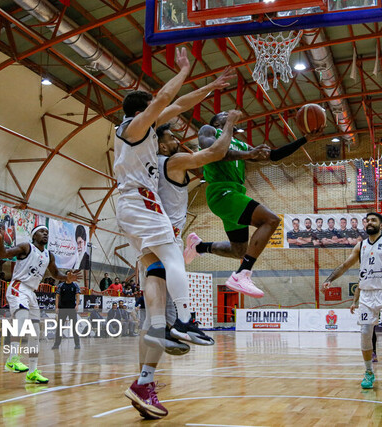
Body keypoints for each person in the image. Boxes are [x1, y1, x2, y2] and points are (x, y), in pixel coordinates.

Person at [114, 48, 228, 419]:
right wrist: (184, 68)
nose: (161, 119)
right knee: (174, 257)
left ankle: (146, 376)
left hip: (134, 209)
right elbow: (165, 99)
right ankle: (185, 320)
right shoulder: (133, 130)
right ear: (139, 111)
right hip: (141, 204)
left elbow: (175, 105)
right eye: (151, 110)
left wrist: (209, 86)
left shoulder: (145, 135)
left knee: (156, 276)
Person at [183, 110, 324, 298]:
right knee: (271, 220)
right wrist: (246, 151)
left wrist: (304, 139)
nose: (229, 113)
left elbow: (273, 155)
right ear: (216, 121)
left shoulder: (240, 144)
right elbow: (216, 153)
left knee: (238, 250)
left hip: (236, 192)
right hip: (221, 191)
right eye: (224, 113)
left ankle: (199, 247)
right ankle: (243, 273)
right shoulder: (209, 131)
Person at [153, 111, 241, 347]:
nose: (177, 141)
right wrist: (230, 123)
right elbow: (214, 154)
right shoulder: (173, 160)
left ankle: (162, 329)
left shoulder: (155, 163)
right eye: (171, 138)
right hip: (166, 230)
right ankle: (183, 322)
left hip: (152, 229)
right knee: (172, 273)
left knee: (158, 282)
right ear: (161, 145)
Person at [323, 212, 382, 390]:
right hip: (366, 294)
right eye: (367, 221)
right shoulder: (360, 246)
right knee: (365, 332)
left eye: (374, 220)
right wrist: (329, 279)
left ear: (381, 224)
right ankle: (369, 371)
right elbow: (344, 266)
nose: (369, 223)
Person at [0, 224, 80, 385]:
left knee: (35, 332)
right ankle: (12, 358)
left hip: (31, 293)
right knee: (22, 318)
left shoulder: (49, 255)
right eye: (42, 231)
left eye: (47, 232)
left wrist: (67, 278)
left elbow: (56, 274)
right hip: (18, 286)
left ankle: (33, 371)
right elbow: (3, 253)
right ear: (34, 236)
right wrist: (1, 240)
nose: (45, 234)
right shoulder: (26, 247)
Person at [51, 279, 82, 350]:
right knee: (59, 327)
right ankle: (56, 344)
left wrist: (77, 305)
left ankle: (77, 344)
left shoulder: (75, 285)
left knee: (74, 326)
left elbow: (77, 296)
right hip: (62, 309)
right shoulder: (61, 285)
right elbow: (57, 296)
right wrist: (56, 307)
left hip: (72, 309)